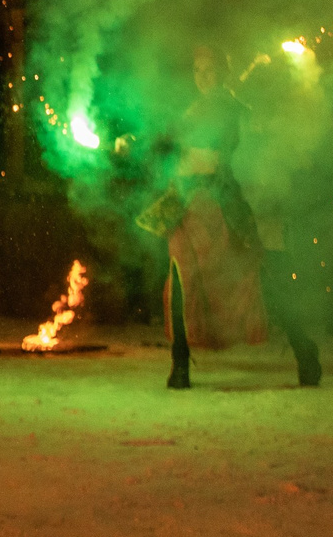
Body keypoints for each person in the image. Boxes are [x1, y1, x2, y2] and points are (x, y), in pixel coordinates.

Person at [132, 45, 318, 390]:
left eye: (211, 70)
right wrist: (146, 144)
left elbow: (214, 157)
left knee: (258, 278)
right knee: (181, 284)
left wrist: (169, 147)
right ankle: (180, 365)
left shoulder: (229, 109)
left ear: (223, 73)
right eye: (198, 70)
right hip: (187, 210)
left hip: (223, 209)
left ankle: (305, 350)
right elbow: (177, 151)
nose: (203, 77)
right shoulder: (192, 110)